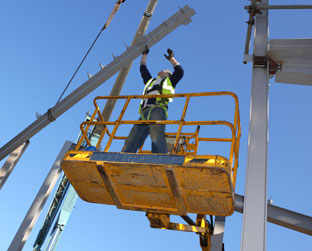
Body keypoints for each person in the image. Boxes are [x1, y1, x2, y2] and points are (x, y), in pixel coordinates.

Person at [121, 46, 184, 154]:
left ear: (168, 74)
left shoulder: (170, 81)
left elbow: (179, 72)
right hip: (145, 112)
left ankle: (160, 160)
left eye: (164, 71)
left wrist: (171, 59)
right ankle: (122, 159)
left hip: (158, 109)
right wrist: (144, 54)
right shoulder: (150, 81)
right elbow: (143, 70)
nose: (160, 71)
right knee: (131, 140)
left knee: (156, 136)